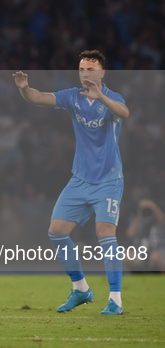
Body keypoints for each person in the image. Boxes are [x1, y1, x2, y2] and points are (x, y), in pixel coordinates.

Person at [13, 50, 129, 315]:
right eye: (81, 69)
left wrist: (101, 97)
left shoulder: (112, 98)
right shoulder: (73, 97)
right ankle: (81, 289)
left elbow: (124, 112)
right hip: (80, 179)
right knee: (56, 230)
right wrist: (24, 88)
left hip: (109, 179)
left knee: (105, 233)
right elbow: (38, 98)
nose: (84, 74)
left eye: (90, 69)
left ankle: (116, 300)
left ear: (101, 73)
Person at [125, 199, 165, 272]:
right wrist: (139, 215)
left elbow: (162, 220)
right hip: (140, 253)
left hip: (157, 253)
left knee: (155, 257)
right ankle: (134, 275)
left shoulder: (158, 220)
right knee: (126, 254)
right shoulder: (137, 220)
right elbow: (129, 234)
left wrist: (152, 206)